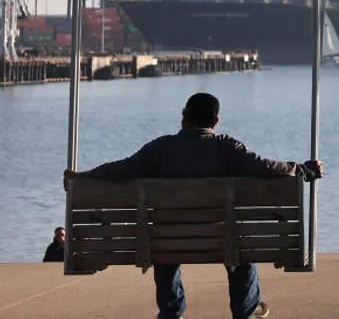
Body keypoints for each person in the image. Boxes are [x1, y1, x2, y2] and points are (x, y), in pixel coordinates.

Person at [63, 92, 324, 319]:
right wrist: (304, 170)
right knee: (240, 248)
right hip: (221, 239)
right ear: (215, 122)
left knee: (163, 244)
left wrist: (82, 177)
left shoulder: (161, 148)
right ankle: (245, 312)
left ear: (183, 117)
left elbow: (122, 169)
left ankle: (172, 313)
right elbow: (266, 168)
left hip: (168, 241)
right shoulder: (226, 147)